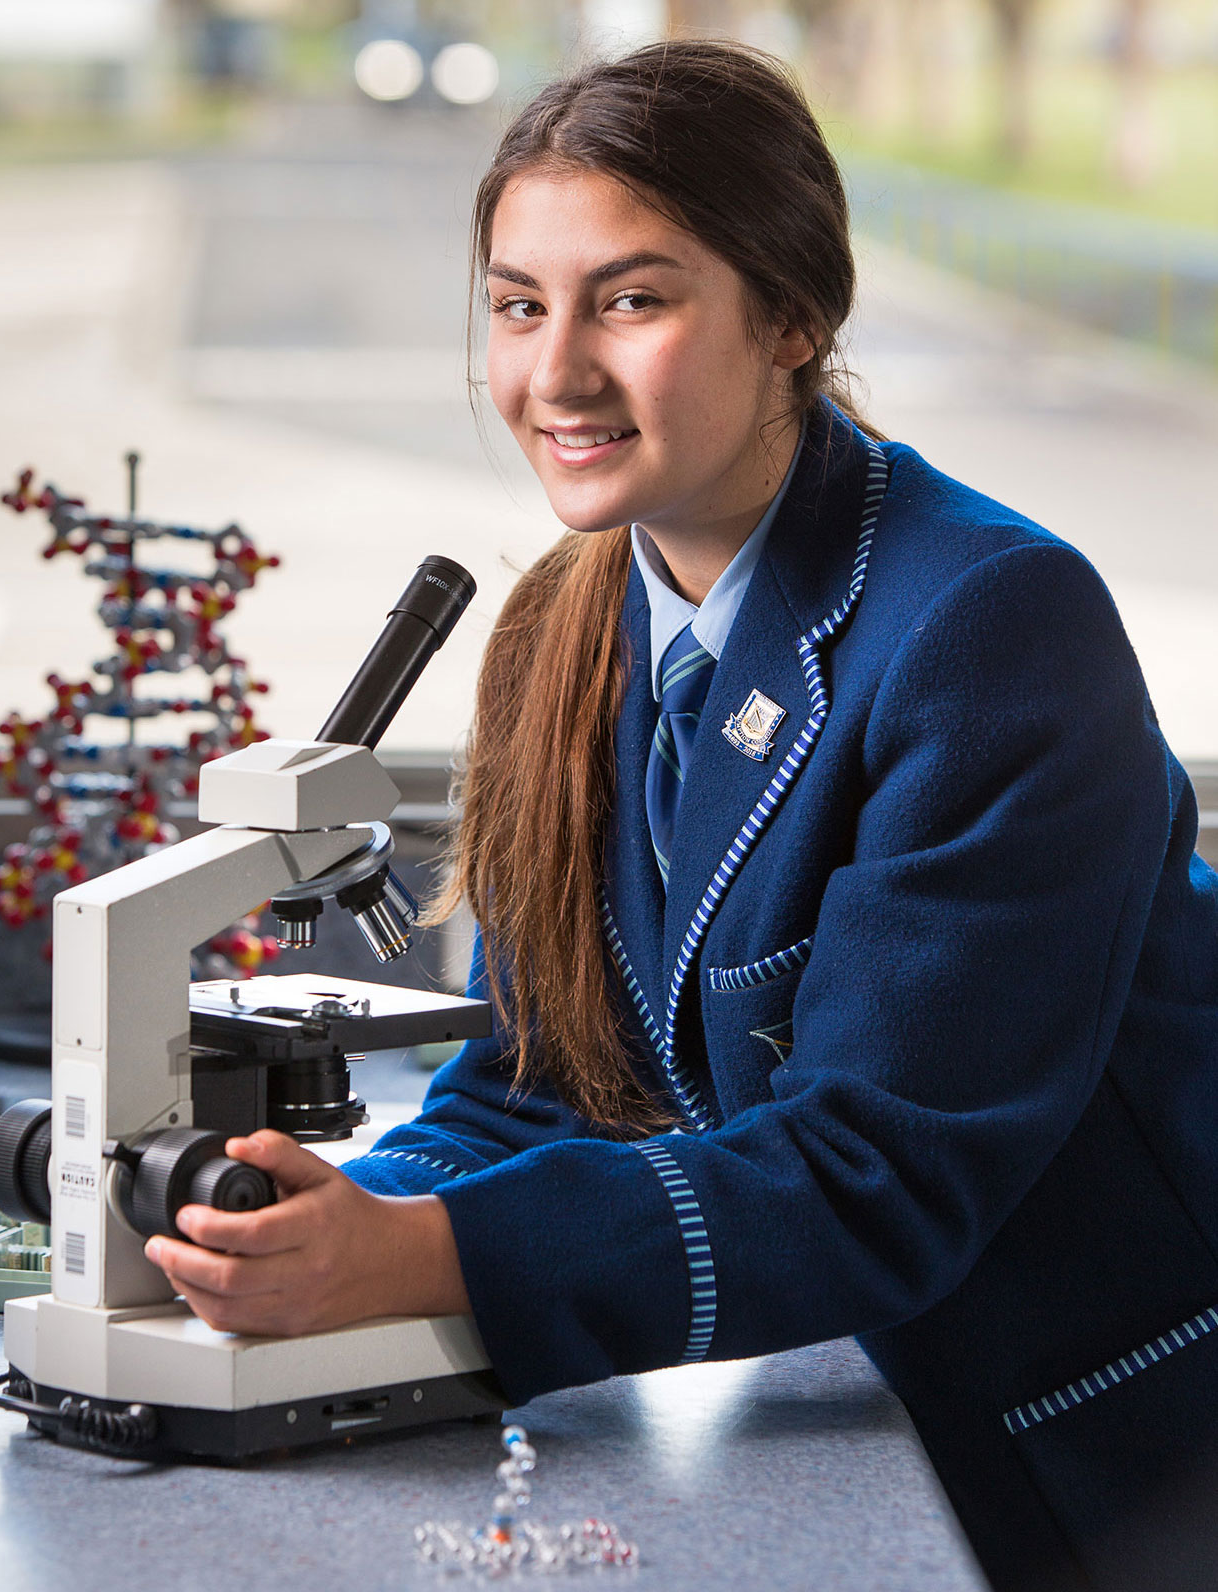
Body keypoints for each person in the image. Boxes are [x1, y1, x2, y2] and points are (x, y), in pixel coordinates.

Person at [143, 40, 1218, 1592]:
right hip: (871, 1396)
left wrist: (433, 1261)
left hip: (1124, 1444)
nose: (556, 375)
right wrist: (308, 1226)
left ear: (792, 316)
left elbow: (878, 1172)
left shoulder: (990, 623)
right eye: (519, 305)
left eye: (631, 300)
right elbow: (534, 1087)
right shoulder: (567, 629)